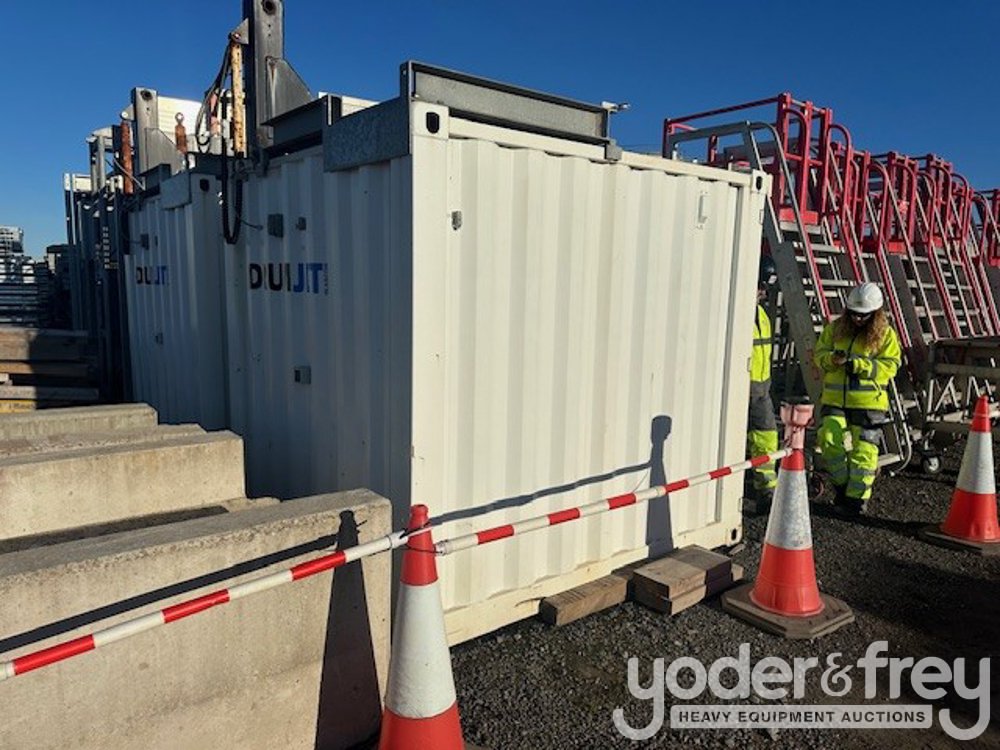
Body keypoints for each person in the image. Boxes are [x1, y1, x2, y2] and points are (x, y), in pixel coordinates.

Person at [814, 282, 902, 516]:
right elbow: (819, 354)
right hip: (834, 400)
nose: (857, 319)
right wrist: (831, 359)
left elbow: (891, 366)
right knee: (829, 439)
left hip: (868, 404)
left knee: (864, 453)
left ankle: (856, 501)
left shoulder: (886, 335)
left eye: (863, 315)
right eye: (853, 313)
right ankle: (842, 489)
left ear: (875, 313)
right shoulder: (835, 329)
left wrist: (859, 365)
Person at [747, 255, 779, 513]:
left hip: (760, 390)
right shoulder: (740, 314)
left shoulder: (761, 315)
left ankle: (766, 491)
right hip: (740, 389)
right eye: (760, 285)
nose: (763, 292)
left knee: (766, 437)